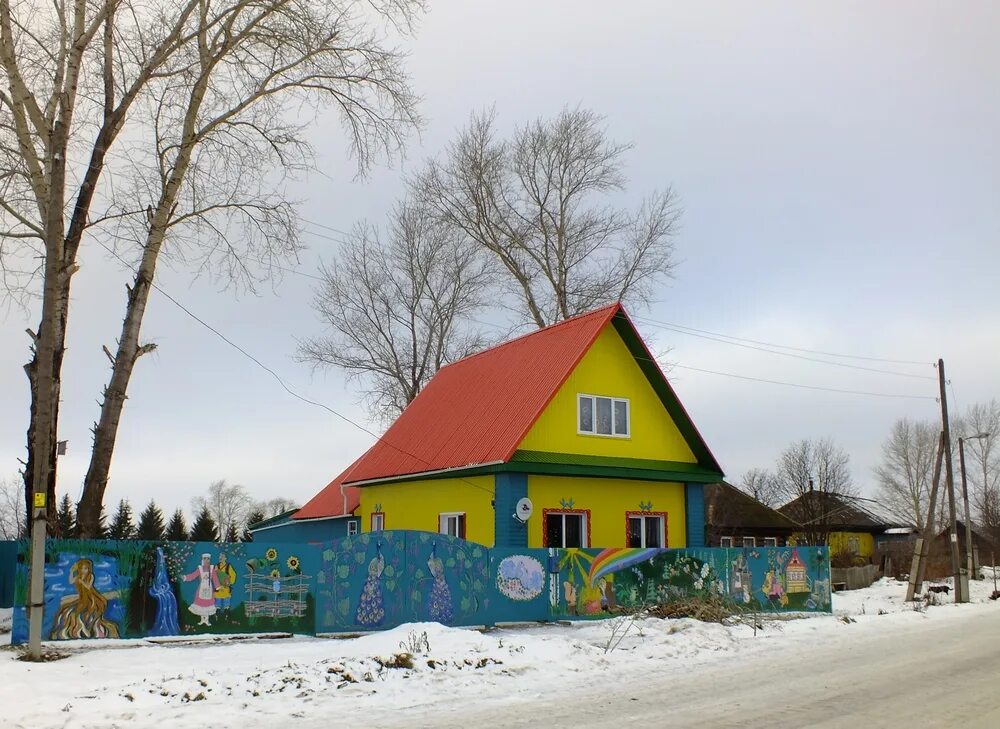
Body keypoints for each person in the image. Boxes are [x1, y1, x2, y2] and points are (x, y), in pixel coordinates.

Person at [50, 558, 121, 639]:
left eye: (85, 568)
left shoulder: (91, 576)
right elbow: (70, 581)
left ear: (89, 569)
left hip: (91, 596)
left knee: (85, 610)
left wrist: (81, 581)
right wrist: (71, 572)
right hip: (82, 597)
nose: (83, 570)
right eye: (81, 568)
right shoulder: (78, 576)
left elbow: (88, 586)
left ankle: (89, 627)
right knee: (69, 609)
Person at [184, 553, 219, 626]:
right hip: (201, 589)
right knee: (201, 603)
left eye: (208, 559)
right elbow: (193, 575)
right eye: (205, 559)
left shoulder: (212, 569)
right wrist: (185, 577)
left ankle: (206, 620)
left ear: (210, 560)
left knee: (208, 604)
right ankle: (202, 620)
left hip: (209, 589)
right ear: (202, 559)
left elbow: (215, 578)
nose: (206, 560)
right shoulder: (200, 569)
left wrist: (217, 586)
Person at [214, 553, 238, 624]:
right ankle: (217, 617)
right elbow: (214, 576)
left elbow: (233, 575)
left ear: (225, 558)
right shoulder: (217, 566)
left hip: (226, 588)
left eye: (222, 557)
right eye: (219, 556)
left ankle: (226, 616)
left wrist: (229, 582)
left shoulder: (228, 566)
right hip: (219, 588)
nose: (220, 558)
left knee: (226, 603)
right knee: (217, 603)